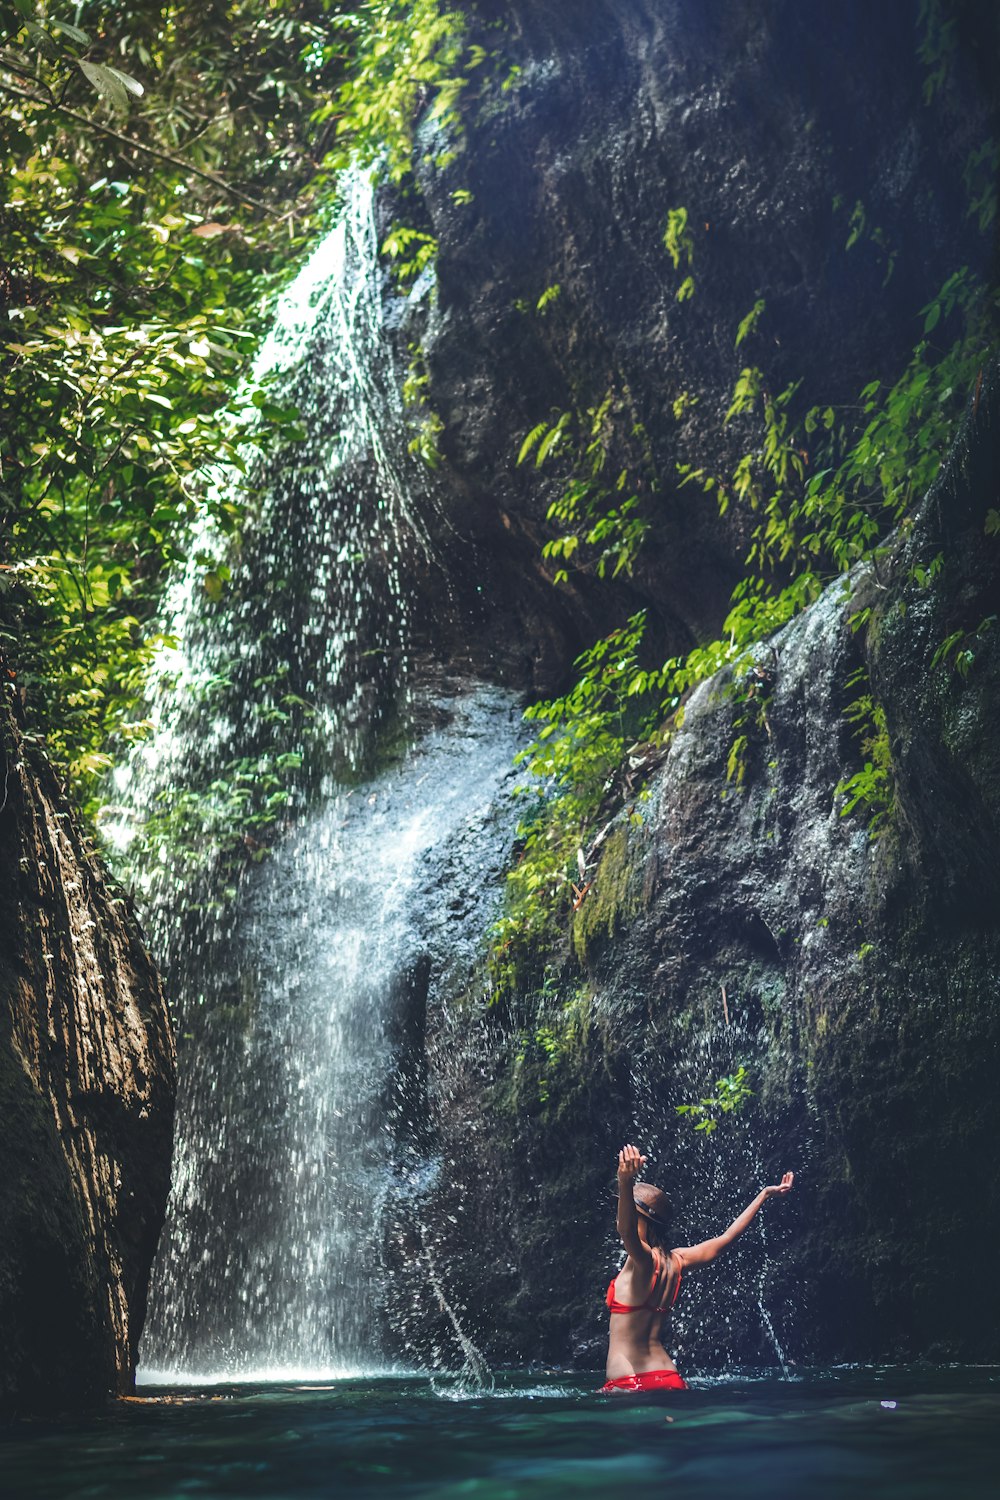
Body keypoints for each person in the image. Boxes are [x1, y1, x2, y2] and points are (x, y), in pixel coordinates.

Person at [602, 1142, 794, 1393]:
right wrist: (764, 1195)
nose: (619, 1215)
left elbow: (625, 1230)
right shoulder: (677, 1260)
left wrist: (625, 1181)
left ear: (640, 1219)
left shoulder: (642, 1260)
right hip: (667, 1376)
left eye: (624, 1209)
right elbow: (724, 1240)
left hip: (630, 1382)